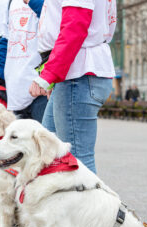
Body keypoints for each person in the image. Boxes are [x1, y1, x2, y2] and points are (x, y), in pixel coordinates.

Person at [26, 0, 116, 173]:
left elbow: (74, 28)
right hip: (76, 73)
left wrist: (48, 76)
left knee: (76, 159)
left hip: (78, 73)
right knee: (50, 151)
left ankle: (87, 200)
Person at [0, 0, 47, 122]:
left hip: (42, 87)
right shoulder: (9, 3)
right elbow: (5, 41)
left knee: (46, 138)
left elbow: (54, 21)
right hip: (16, 89)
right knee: (20, 140)